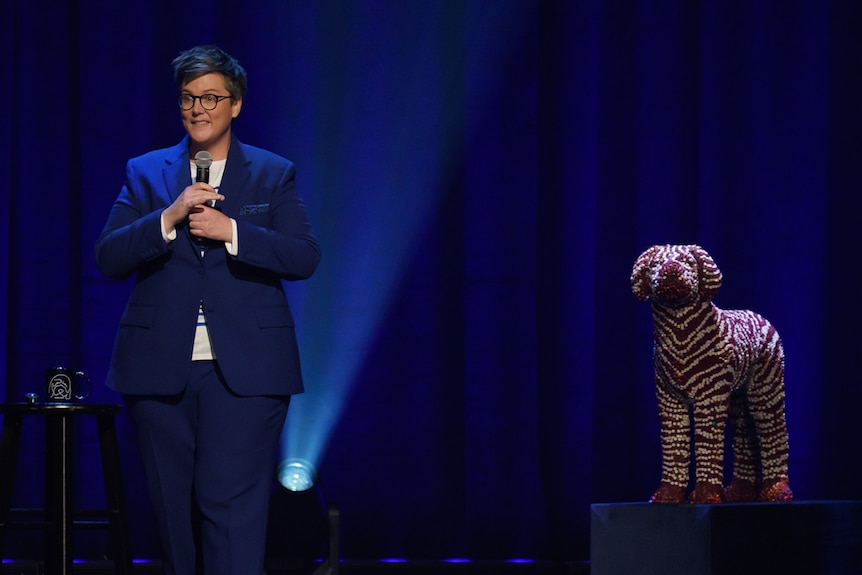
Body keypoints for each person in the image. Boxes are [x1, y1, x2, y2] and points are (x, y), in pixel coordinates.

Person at [94, 45, 320, 575]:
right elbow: (108, 255)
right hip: (159, 368)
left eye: (211, 98)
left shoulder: (271, 173)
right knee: (172, 514)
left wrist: (234, 232)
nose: (198, 108)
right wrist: (167, 218)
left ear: (235, 104)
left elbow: (304, 255)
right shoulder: (147, 172)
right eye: (189, 98)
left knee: (232, 509)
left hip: (246, 370)